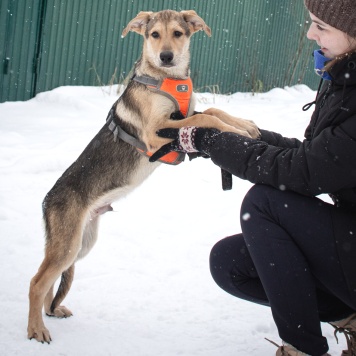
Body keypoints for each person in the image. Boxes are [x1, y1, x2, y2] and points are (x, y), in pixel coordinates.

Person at [149, 0, 356, 355]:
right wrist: (243, 134)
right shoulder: (344, 76)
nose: (310, 33)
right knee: (232, 264)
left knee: (265, 203)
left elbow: (303, 173)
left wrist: (210, 140)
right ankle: (350, 316)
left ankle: (302, 348)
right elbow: (319, 156)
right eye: (311, 23)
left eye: (321, 26)